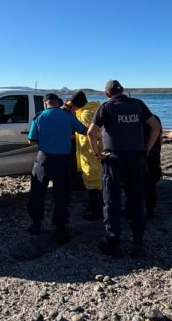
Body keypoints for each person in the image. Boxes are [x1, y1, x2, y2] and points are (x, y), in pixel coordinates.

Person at [87, 80, 161, 258]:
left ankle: (113, 244)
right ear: (123, 91)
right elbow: (156, 127)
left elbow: (90, 132)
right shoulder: (138, 104)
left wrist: (97, 154)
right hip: (135, 158)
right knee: (135, 199)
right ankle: (138, 243)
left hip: (114, 159)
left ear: (106, 94)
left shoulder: (106, 107)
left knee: (111, 201)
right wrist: (148, 147)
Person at [27, 93, 88, 244]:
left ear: (45, 103)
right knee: (61, 195)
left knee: (37, 192)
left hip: (44, 159)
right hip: (63, 161)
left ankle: (36, 225)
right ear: (57, 102)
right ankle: (60, 229)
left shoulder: (39, 116)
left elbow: (31, 140)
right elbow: (84, 131)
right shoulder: (67, 116)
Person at [70, 90, 103, 220]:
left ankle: (96, 212)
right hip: (92, 153)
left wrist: (96, 151)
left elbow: (94, 134)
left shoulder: (86, 114)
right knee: (95, 181)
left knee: (93, 182)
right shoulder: (93, 110)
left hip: (91, 155)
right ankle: (96, 207)